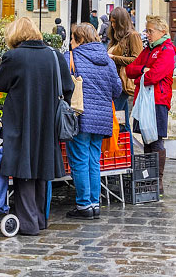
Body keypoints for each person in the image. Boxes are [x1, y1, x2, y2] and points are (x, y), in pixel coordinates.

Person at [0, 17, 74, 235]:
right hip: (48, 122)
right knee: (41, 169)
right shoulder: (54, 55)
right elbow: (68, 86)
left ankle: (27, 223)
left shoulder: (14, 56)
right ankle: (39, 219)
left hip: (22, 119)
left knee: (24, 170)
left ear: (15, 36)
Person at [63, 23, 121, 220]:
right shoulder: (107, 60)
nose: (70, 42)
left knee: (79, 160)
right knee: (93, 160)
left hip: (80, 116)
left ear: (80, 40)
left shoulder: (72, 57)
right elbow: (117, 90)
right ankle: (94, 203)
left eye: (72, 38)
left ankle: (84, 205)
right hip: (102, 118)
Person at [126, 15, 176, 196]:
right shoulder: (149, 50)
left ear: (162, 31)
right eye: (146, 30)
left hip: (158, 100)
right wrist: (142, 70)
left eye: (150, 31)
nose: (147, 34)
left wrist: (141, 75)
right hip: (144, 100)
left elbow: (154, 76)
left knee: (155, 140)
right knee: (146, 140)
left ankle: (158, 181)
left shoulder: (167, 50)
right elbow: (130, 69)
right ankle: (149, 179)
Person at [107, 7, 143, 132]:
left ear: (122, 22)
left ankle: (121, 150)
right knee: (123, 123)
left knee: (115, 120)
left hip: (123, 84)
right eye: (111, 22)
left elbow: (137, 59)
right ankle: (128, 151)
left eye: (115, 22)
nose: (112, 25)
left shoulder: (133, 36)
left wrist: (113, 58)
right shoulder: (117, 38)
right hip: (116, 83)